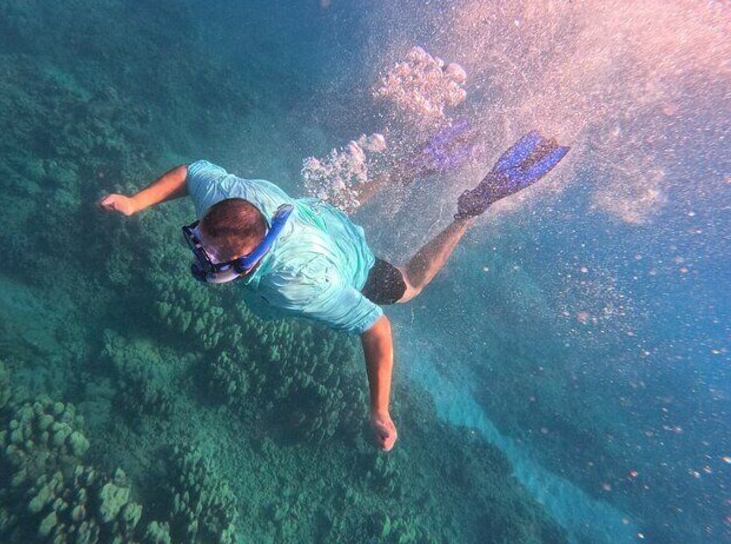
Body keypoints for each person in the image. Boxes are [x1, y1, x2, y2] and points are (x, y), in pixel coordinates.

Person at [100, 130, 569, 451]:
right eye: (198, 244)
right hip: (309, 215)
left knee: (407, 287)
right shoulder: (225, 200)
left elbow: (378, 327)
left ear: (251, 258)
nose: (199, 259)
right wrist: (134, 202)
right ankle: (409, 166)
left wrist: (379, 411)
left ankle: (471, 208)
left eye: (211, 259)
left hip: (346, 260)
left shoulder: (296, 284)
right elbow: (190, 170)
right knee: (332, 200)